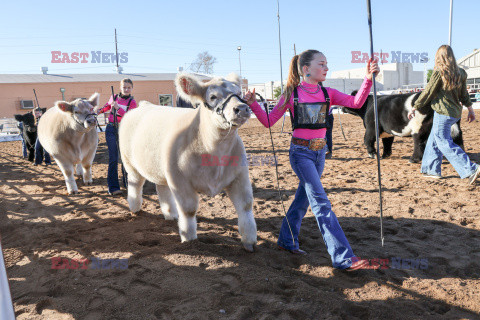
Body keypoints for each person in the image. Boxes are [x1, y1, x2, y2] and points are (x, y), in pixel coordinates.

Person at [245, 49, 379, 270]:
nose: (326, 68)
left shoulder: (329, 93)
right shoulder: (291, 94)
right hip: (300, 154)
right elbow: (269, 121)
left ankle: (286, 240)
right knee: (321, 204)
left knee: (303, 199)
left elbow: (356, 103)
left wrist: (367, 79)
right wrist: (252, 103)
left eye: (327, 64)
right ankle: (343, 257)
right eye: (322, 64)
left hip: (320, 154)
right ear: (306, 69)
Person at [408, 45, 480, 184]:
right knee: (434, 140)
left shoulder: (439, 73)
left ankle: (471, 168)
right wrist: (470, 110)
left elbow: (428, 92)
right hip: (454, 113)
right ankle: (431, 169)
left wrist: (415, 107)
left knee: (443, 141)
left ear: (439, 57)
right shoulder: (461, 73)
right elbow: (464, 95)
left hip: (443, 113)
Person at [97, 78, 137, 196]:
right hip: (111, 129)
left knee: (126, 158)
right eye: (124, 87)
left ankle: (128, 183)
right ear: (120, 87)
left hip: (124, 130)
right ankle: (113, 187)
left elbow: (129, 117)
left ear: (131, 88)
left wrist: (118, 108)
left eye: (128, 87)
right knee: (113, 158)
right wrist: (98, 111)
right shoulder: (113, 97)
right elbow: (106, 107)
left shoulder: (132, 102)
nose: (126, 89)